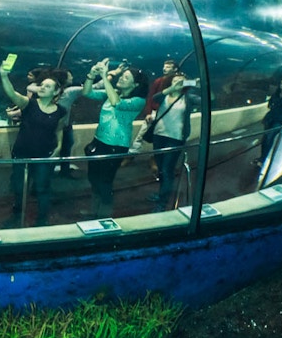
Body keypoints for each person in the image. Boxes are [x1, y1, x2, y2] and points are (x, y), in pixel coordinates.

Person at [0, 60, 66, 227]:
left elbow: (59, 129)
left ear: (56, 91)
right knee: (19, 187)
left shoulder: (60, 111)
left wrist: (59, 147)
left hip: (44, 155)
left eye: (47, 86)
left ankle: (42, 219)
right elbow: (12, 94)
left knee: (43, 188)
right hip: (22, 153)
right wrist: (3, 76)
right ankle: (16, 216)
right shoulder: (29, 104)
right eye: (42, 85)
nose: (42, 87)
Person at [82, 58, 149, 218]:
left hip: (115, 145)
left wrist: (105, 76)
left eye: (126, 78)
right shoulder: (113, 92)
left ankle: (104, 216)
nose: (121, 78)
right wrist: (91, 75)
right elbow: (87, 92)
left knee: (104, 182)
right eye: (122, 76)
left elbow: (117, 103)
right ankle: (94, 212)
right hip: (99, 141)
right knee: (93, 178)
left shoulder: (138, 101)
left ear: (135, 85)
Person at [145, 73, 197, 211]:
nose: (177, 83)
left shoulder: (188, 97)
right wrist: (171, 88)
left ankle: (162, 203)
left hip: (175, 137)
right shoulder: (164, 96)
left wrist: (197, 84)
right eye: (175, 81)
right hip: (159, 135)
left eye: (181, 81)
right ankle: (161, 194)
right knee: (161, 169)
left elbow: (209, 100)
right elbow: (154, 98)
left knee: (167, 170)